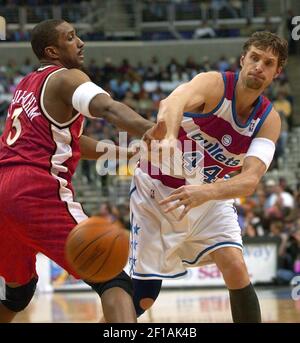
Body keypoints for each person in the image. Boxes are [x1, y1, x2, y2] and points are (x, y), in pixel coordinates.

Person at [0, 19, 165, 323]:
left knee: (18, 293)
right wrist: (150, 130)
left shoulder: (26, 83)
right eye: (71, 37)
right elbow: (107, 108)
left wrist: (121, 152)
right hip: (33, 189)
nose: (81, 42)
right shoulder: (67, 78)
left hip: (3, 190)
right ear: (52, 50)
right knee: (114, 281)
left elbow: (70, 141)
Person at [129, 31, 288, 322]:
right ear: (243, 59)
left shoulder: (269, 120)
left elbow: (250, 180)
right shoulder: (214, 84)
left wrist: (205, 193)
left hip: (210, 196)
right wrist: (169, 136)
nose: (258, 67)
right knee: (143, 296)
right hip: (158, 190)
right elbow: (172, 102)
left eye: (268, 63)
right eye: (254, 58)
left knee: (236, 266)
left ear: (276, 73)